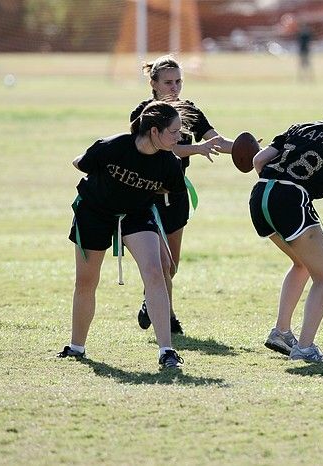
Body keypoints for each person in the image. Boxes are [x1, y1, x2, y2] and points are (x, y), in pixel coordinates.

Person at [58, 101, 190, 368]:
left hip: (136, 214)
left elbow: (170, 191)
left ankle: (166, 351)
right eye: (174, 131)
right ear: (154, 131)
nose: (179, 137)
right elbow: (79, 163)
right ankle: (76, 347)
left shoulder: (169, 164)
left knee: (155, 272)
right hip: (95, 212)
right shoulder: (114, 146)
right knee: (86, 281)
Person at [249, 91, 323, 362]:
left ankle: (281, 332)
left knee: (302, 264)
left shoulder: (301, 127)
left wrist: (276, 186)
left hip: (260, 194)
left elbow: (258, 161)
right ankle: (304, 347)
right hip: (291, 199)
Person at [132, 55, 234, 335]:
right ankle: (167, 315)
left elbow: (216, 140)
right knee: (161, 262)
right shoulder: (145, 114)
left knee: (172, 265)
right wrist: (197, 150)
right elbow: (165, 148)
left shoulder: (189, 111)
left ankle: (149, 300)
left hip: (176, 194)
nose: (174, 87)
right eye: (168, 82)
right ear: (153, 83)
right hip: (149, 195)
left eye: (178, 81)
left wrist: (246, 149)